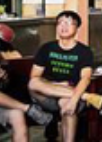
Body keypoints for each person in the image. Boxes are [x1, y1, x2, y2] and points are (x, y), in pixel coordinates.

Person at [27, 11, 94, 142]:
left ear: (77, 28)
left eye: (68, 23)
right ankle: (85, 96)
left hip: (71, 97)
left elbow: (85, 78)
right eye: (60, 23)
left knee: (66, 103)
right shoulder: (46, 48)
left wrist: (74, 99)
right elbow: (34, 77)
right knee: (33, 83)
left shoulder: (84, 52)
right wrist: (58, 85)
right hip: (48, 97)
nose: (63, 26)